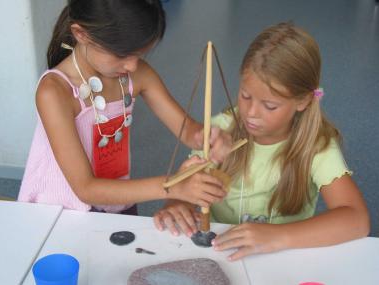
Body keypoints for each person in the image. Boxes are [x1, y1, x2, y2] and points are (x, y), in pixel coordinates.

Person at [153, 22, 370, 260]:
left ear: (303, 101)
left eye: (269, 105)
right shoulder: (222, 130)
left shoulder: (316, 146)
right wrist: (176, 203)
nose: (251, 113)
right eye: (245, 96)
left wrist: (279, 236)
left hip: (282, 257)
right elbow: (187, 182)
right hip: (219, 251)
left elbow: (357, 219)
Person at [18, 0, 231, 214]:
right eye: (122, 55)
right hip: (59, 212)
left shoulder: (135, 75)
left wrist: (208, 137)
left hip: (116, 197)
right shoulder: (55, 92)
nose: (132, 65)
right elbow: (86, 188)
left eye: (139, 54)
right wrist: (172, 186)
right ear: (81, 34)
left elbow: (189, 131)